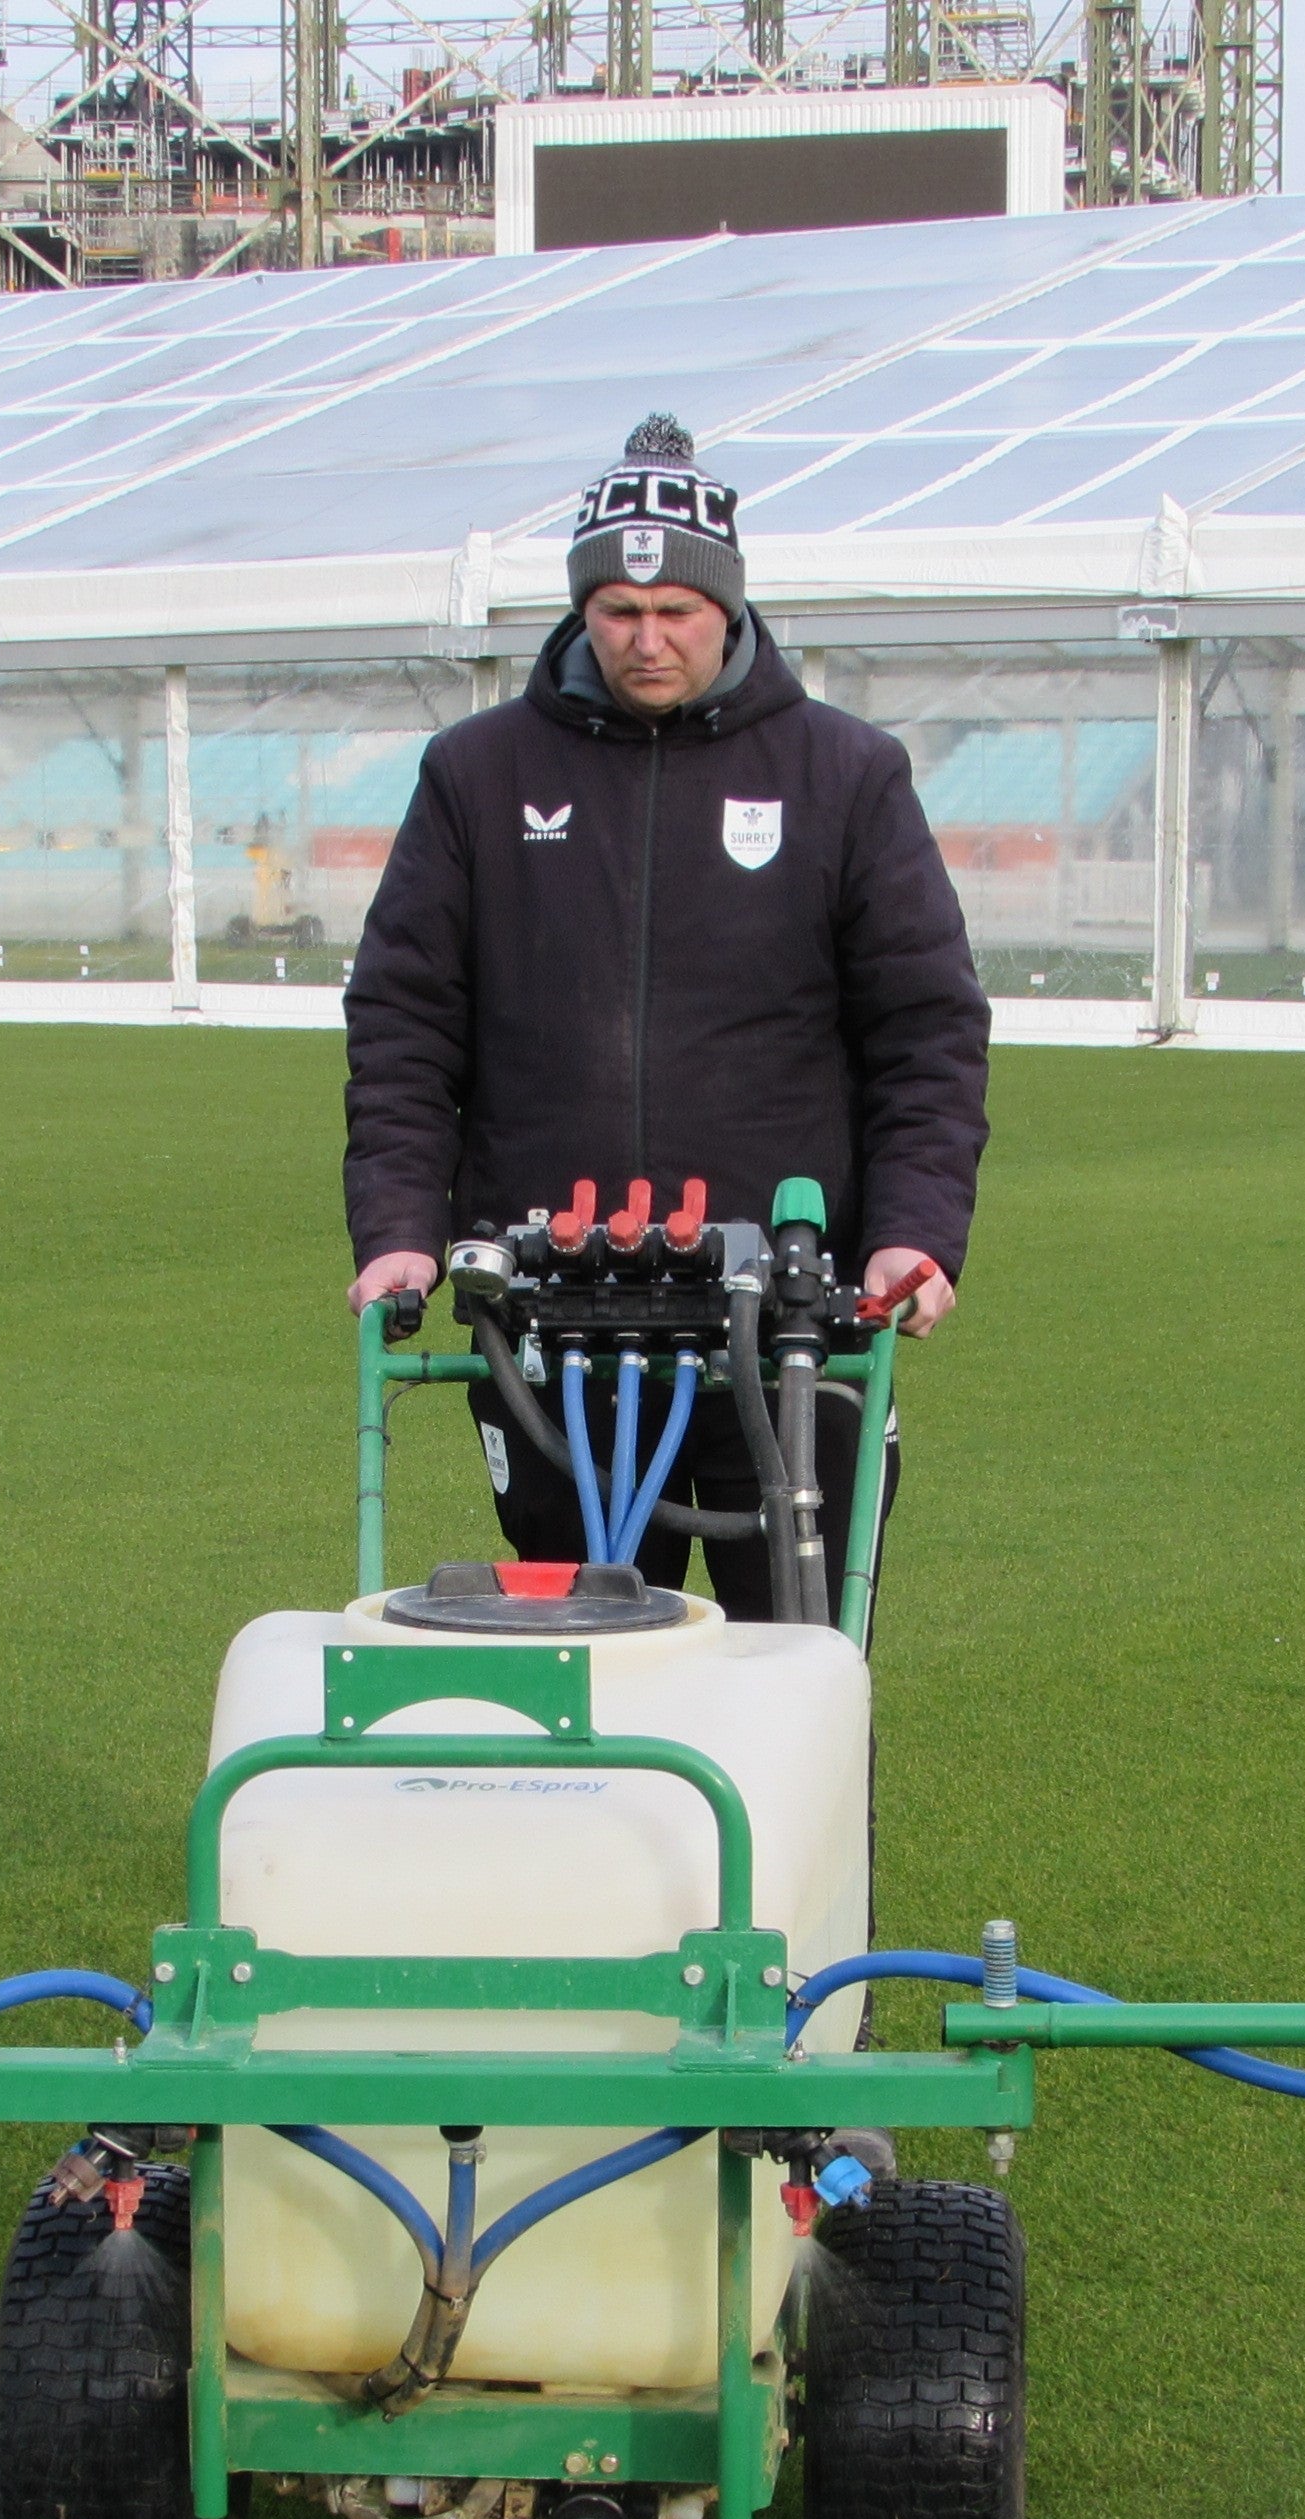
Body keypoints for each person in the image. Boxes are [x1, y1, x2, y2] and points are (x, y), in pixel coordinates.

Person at [340, 413, 993, 1622]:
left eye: (675, 613)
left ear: (728, 608)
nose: (647, 641)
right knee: (583, 1675)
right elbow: (403, 1026)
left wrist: (914, 1233)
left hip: (789, 1326)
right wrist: (397, 1229)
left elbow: (925, 1032)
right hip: (554, 1321)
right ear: (581, 611)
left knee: (793, 1679)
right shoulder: (476, 776)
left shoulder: (844, 774)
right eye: (618, 614)